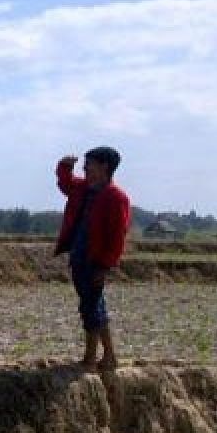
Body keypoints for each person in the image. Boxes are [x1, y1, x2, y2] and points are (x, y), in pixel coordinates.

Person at [53, 147, 130, 372]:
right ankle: (109, 356)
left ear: (104, 166)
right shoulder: (84, 189)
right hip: (79, 256)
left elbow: (117, 236)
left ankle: (90, 358)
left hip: (94, 260)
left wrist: (104, 266)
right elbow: (66, 184)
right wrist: (64, 167)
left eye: (89, 163)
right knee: (95, 305)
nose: (85, 167)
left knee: (89, 307)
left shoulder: (116, 197)